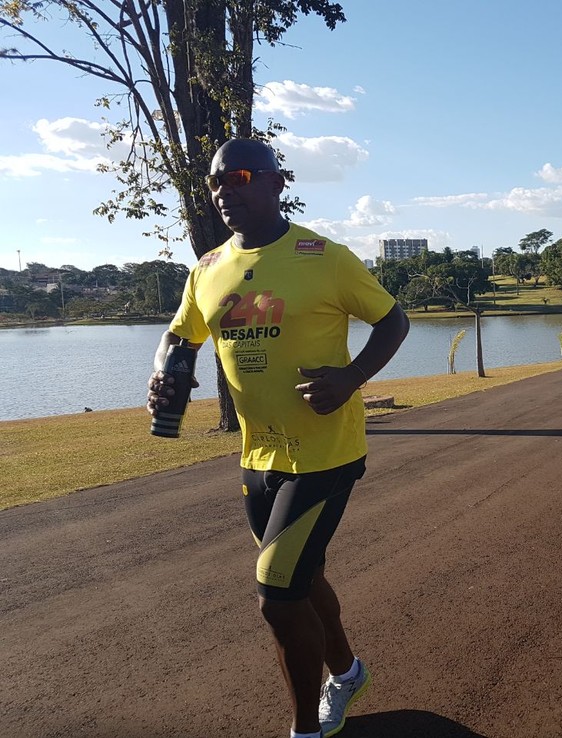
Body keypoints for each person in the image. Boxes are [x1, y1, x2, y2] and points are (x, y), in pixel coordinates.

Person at [146, 139, 409, 738]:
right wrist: (164, 373)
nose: (224, 191)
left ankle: (304, 730)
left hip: (324, 453)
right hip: (257, 455)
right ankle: (346, 672)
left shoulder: (324, 257)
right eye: (215, 183)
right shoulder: (208, 269)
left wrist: (350, 378)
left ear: (274, 182)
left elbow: (393, 320)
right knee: (303, 574)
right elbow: (179, 338)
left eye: (237, 177)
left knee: (276, 593)